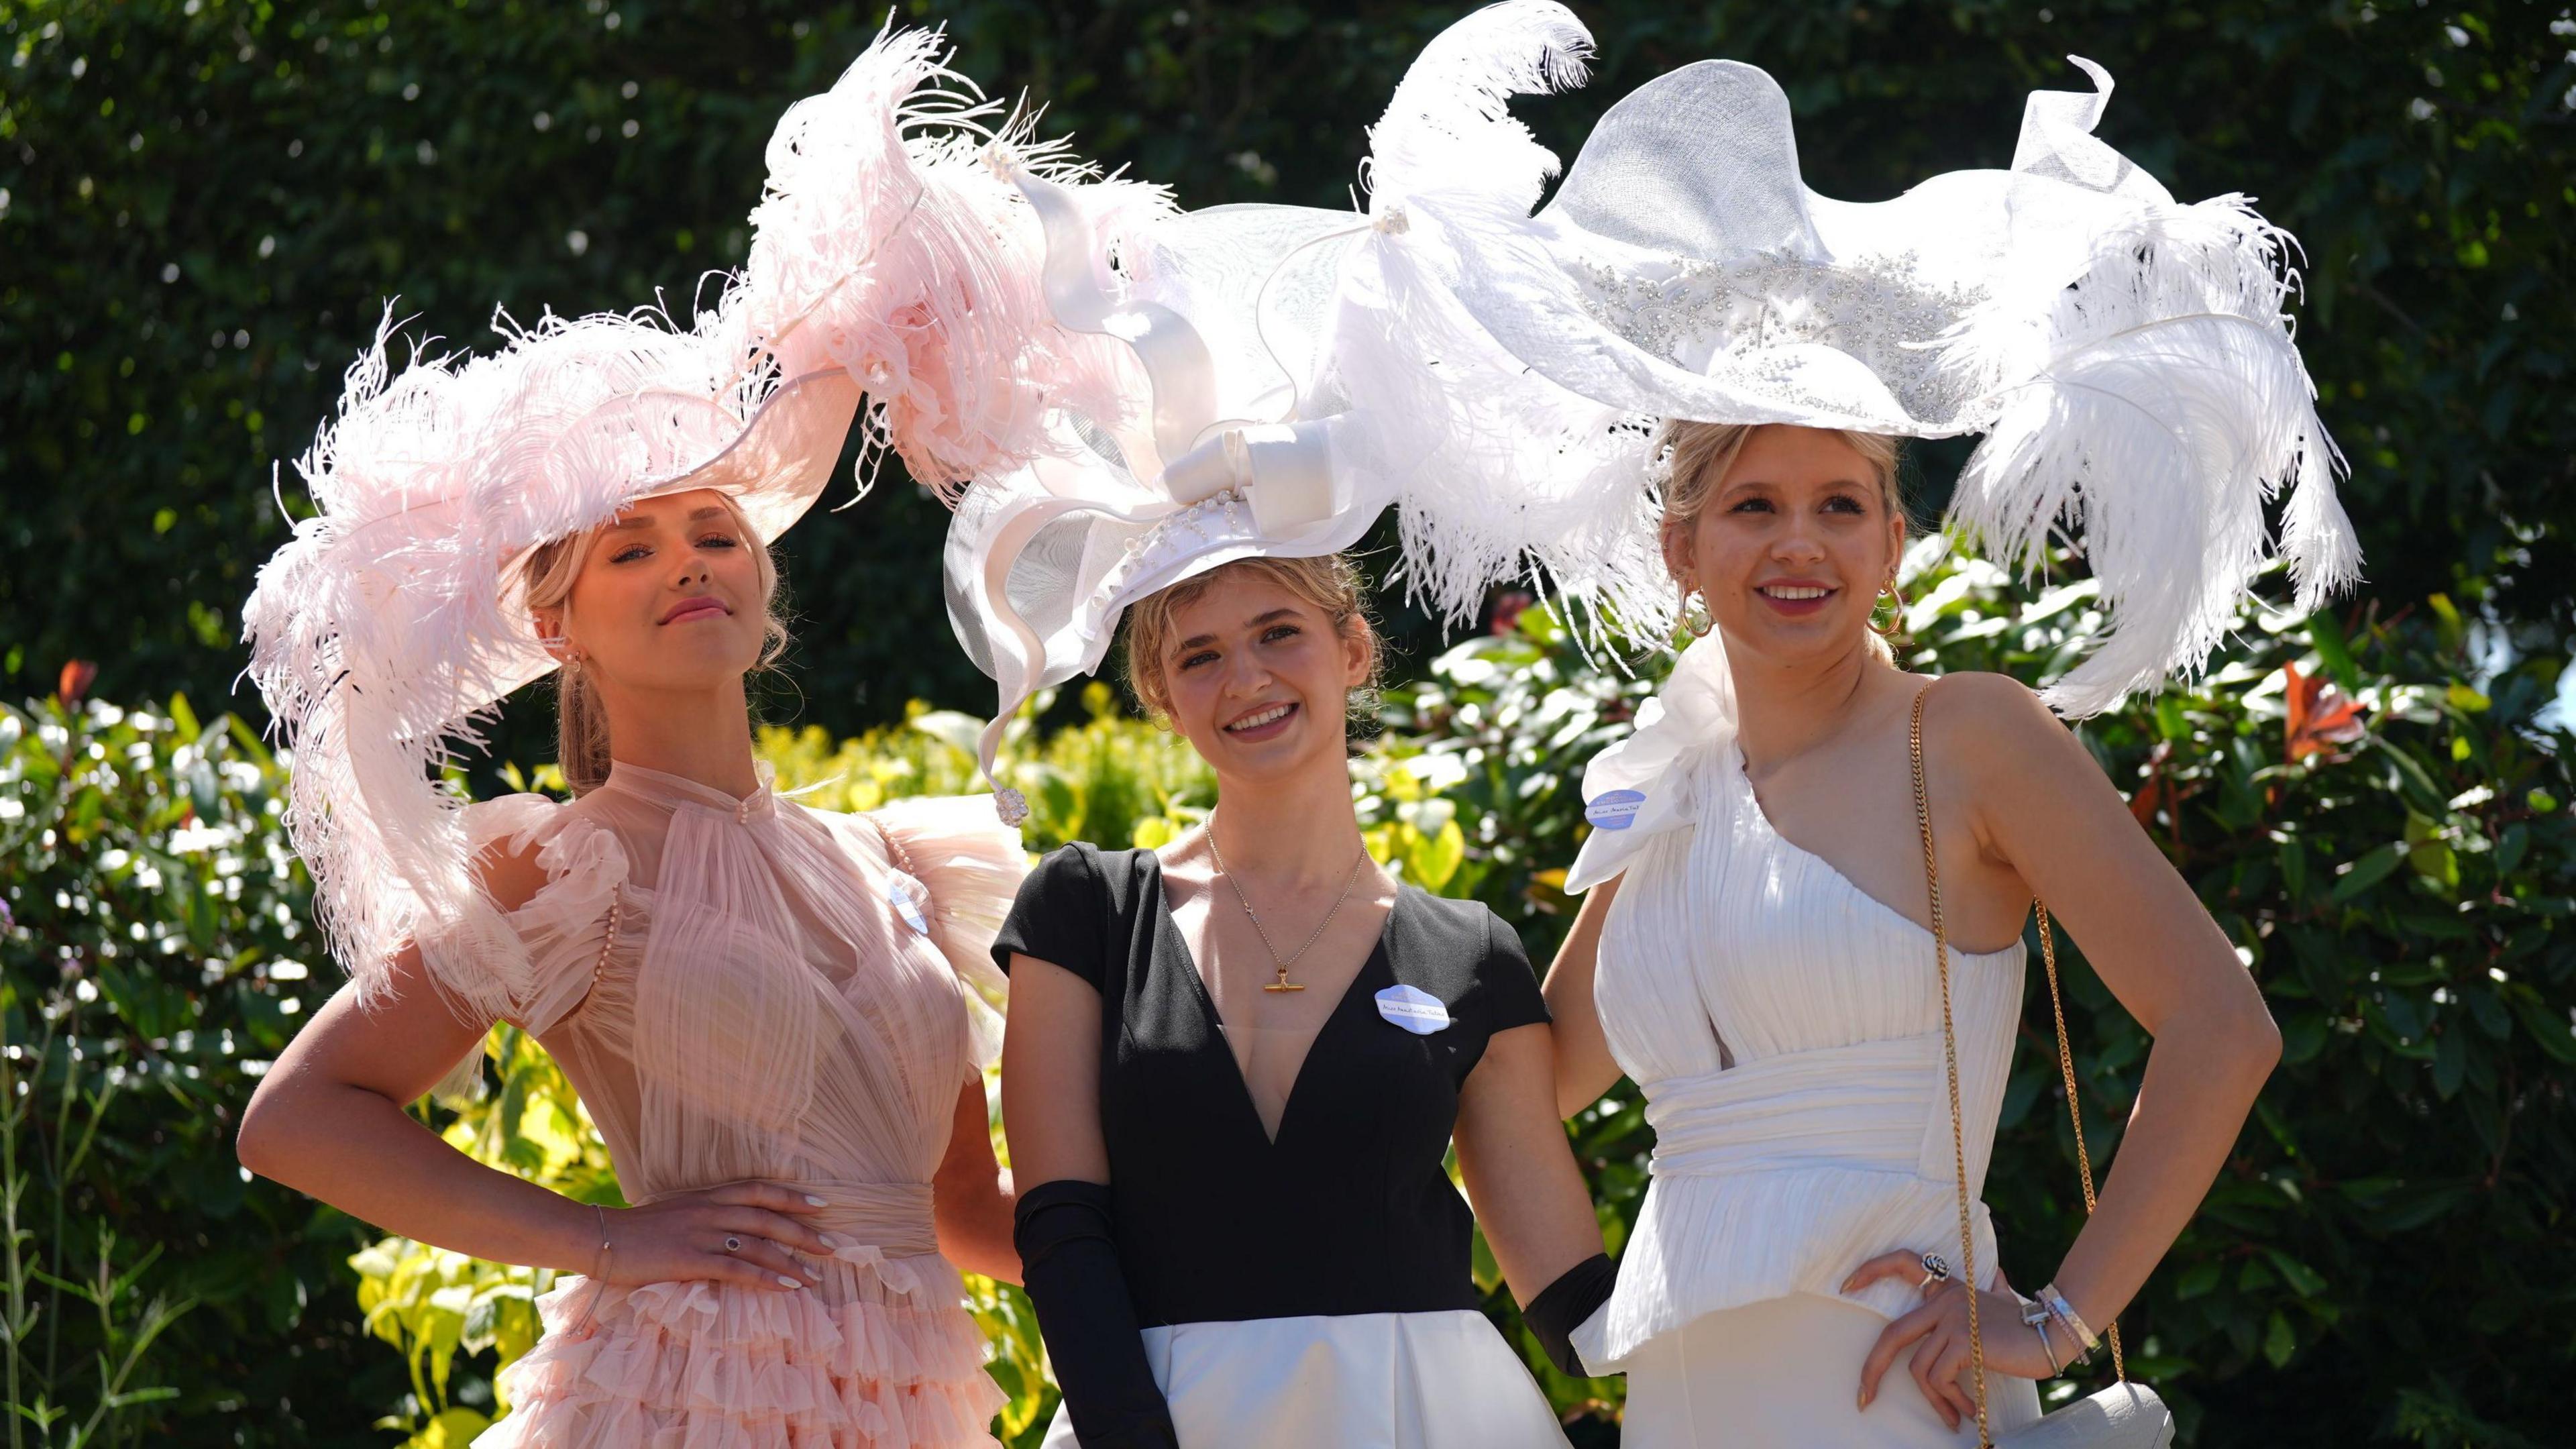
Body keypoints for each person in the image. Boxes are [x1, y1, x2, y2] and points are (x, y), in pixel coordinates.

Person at [233, 28, 1149, 1444]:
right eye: (631, 549)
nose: (689, 563)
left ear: (766, 576)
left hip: (904, 1405)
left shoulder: (897, 864)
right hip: (677, 1397)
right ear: (561, 629)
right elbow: (297, 1120)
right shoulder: (563, 869)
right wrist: (606, 1244)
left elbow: (961, 1208)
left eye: (715, 530)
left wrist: (1207, 1272)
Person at [1542, 423, 2289, 1444]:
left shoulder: (1974, 736)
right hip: (1684, 1393)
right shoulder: (1667, 798)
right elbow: (1520, 1085)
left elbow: (2223, 1027)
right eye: (1754, 506)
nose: (1799, 543)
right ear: (1682, 549)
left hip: (1901, 1381)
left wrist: (2058, 1320)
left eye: (1840, 507)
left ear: (1892, 546)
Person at [996, 555, 1612, 1449]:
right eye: (1199, 656)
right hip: (1151, 1418)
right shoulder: (1082, 909)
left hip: (1431, 1420)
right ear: (1163, 699)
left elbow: (1575, 1308)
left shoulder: (1473, 954)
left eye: (1279, 632)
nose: (1247, 678)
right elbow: (1061, 1227)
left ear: (1355, 649)